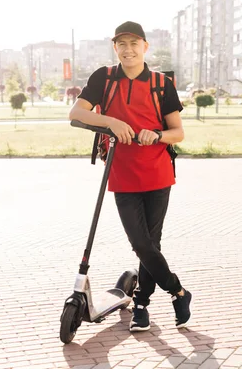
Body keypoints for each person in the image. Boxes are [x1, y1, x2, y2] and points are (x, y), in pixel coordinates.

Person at [69, 21, 191, 331]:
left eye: (134, 43)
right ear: (115, 48)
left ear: (145, 47)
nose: (128, 49)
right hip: (121, 171)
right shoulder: (104, 78)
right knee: (141, 244)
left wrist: (156, 135)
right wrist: (110, 122)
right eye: (121, 44)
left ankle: (141, 305)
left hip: (157, 172)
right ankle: (178, 291)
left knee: (151, 243)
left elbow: (178, 133)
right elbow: (76, 113)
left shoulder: (162, 84)